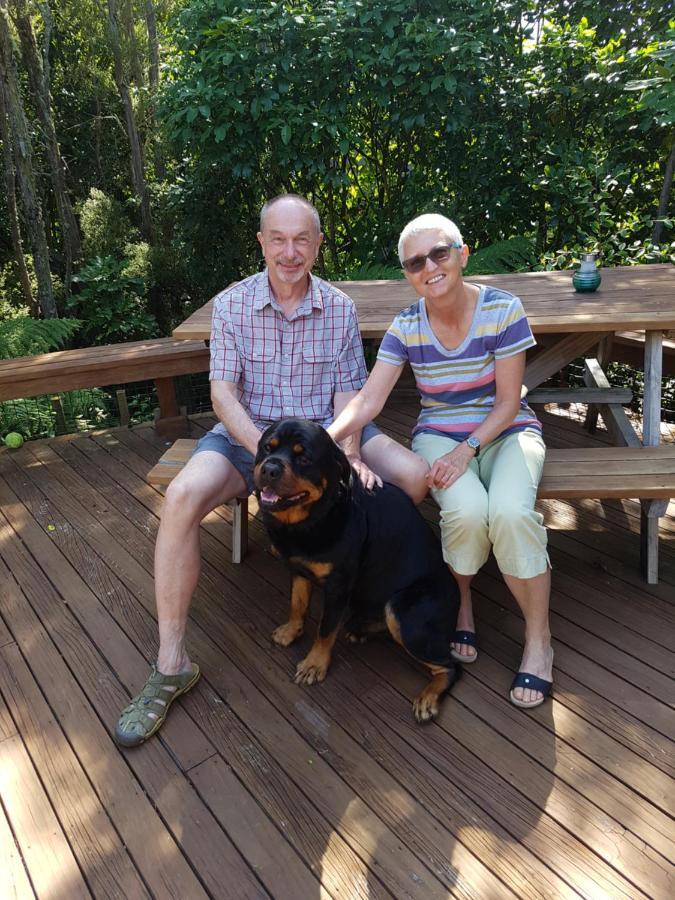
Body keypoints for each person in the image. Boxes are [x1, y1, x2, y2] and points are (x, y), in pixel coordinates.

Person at [115, 194, 428, 747]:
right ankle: (170, 663)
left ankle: (364, 586)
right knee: (182, 497)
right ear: (261, 242)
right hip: (248, 439)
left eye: (301, 240)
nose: (290, 251)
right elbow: (222, 393)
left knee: (412, 477)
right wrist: (264, 455)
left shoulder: (338, 308)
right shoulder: (233, 305)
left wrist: (349, 452)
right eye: (278, 239)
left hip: (327, 436)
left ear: (317, 245)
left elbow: (348, 394)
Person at [327, 213, 554, 708]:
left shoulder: (502, 309)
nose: (429, 266)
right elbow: (368, 401)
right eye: (414, 262)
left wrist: (464, 449)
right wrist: (328, 438)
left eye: (439, 253)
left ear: (462, 253)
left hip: (506, 430)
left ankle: (539, 643)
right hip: (436, 434)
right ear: (407, 274)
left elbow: (509, 402)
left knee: (512, 514)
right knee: (468, 513)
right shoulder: (406, 326)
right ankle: (462, 606)